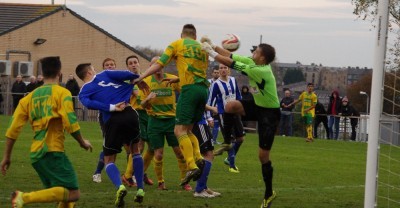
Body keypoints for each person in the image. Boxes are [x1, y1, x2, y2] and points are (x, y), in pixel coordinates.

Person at [1, 56, 92, 208]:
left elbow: (12, 130)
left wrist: (6, 157)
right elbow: (70, 121)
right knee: (73, 194)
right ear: (60, 73)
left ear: (42, 74)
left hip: (37, 155)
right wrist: (82, 142)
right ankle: (23, 197)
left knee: (64, 195)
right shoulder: (62, 93)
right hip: (52, 152)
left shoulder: (28, 98)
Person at [201, 38, 280, 207]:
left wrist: (210, 52)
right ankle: (229, 142)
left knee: (263, 156)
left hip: (269, 114)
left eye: (256, 52)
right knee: (230, 106)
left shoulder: (261, 70)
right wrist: (213, 45)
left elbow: (229, 62)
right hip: (257, 105)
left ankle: (269, 193)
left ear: (263, 58)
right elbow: (230, 55)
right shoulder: (253, 62)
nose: (253, 53)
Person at [133, 24, 208, 185]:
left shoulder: (177, 44)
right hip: (203, 90)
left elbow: (160, 64)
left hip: (189, 90)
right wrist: (178, 79)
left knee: (179, 130)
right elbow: (198, 73)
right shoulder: (202, 48)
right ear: (195, 36)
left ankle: (192, 165)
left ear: (182, 35)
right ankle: (198, 156)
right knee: (188, 130)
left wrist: (141, 77)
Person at [76, 63, 147, 207]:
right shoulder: (106, 74)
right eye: (93, 68)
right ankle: (140, 189)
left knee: (109, 159)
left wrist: (111, 107)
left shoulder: (84, 91)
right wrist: (137, 78)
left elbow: (88, 103)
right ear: (89, 71)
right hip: (130, 113)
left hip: (112, 118)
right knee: (135, 151)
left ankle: (120, 187)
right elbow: (127, 75)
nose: (95, 70)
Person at [139, 57, 191, 191]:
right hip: (155, 122)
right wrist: (148, 99)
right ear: (150, 67)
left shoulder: (172, 79)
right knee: (158, 154)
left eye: (159, 64)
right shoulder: (146, 82)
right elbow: (142, 105)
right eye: (153, 65)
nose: (157, 67)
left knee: (179, 153)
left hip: (172, 122)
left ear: (163, 66)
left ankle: (184, 182)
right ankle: (161, 182)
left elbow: (186, 92)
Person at [121, 55, 155, 187]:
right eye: (130, 63)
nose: (134, 65)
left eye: (135, 62)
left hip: (150, 115)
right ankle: (128, 176)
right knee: (138, 147)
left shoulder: (146, 78)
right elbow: (138, 95)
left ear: (139, 64)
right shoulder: (128, 81)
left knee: (152, 147)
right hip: (136, 114)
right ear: (127, 66)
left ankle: (140, 174)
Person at [208, 63, 244, 173]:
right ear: (218, 71)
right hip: (224, 114)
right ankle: (232, 166)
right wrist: (209, 116)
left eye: (225, 68)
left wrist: (241, 108)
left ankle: (228, 158)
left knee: (241, 139)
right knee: (230, 141)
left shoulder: (233, 80)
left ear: (229, 70)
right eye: (221, 68)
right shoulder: (216, 84)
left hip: (235, 112)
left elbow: (238, 95)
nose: (223, 70)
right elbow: (210, 100)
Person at [192, 112, 221, 198]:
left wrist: (209, 117)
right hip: (199, 123)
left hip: (202, 122)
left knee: (209, 155)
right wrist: (212, 108)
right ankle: (199, 190)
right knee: (208, 155)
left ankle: (203, 187)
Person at [208, 66, 221, 144]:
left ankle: (214, 140)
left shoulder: (221, 82)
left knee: (216, 124)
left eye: (217, 73)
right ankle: (208, 140)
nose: (216, 74)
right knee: (208, 124)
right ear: (212, 73)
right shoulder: (207, 82)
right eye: (215, 72)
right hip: (207, 106)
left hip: (217, 107)